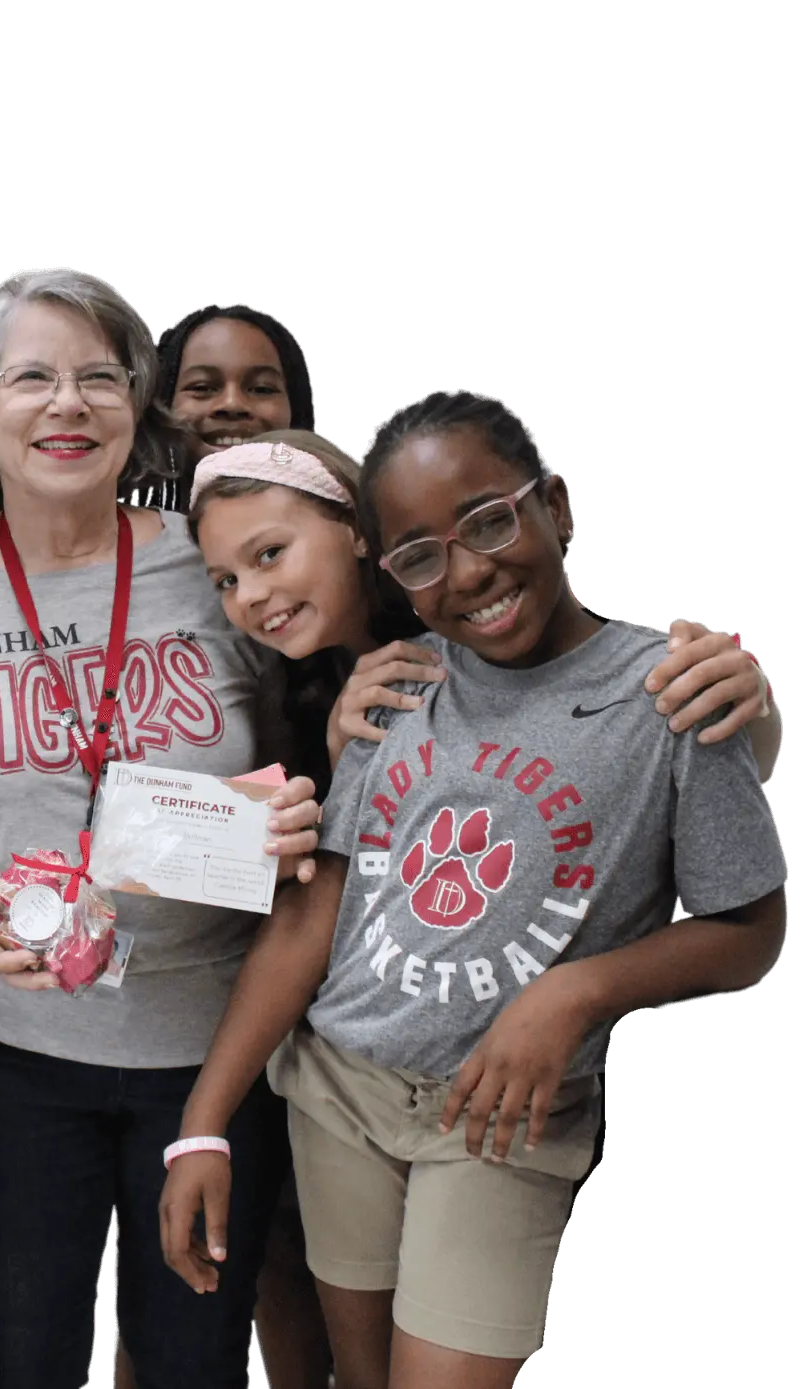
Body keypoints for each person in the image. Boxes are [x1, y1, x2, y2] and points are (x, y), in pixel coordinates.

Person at [160, 389, 788, 1388]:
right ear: (390, 571)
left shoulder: (668, 693)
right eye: (418, 555)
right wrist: (200, 1123)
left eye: (489, 520)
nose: (467, 571)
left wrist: (573, 991)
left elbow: (749, 929)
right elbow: (317, 910)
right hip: (339, 1094)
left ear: (557, 506)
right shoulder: (398, 684)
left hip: (502, 1120)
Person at [0, 267, 324, 1388]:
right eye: (29, 377)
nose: (65, 404)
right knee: (21, 1353)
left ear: (137, 406)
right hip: (10, 1051)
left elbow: (319, 719)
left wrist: (303, 802)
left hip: (208, 1049)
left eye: (97, 378)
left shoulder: (213, 561)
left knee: (192, 1354)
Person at [192, 432, 782, 786]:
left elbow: (705, 758)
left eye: (270, 554)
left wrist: (748, 702)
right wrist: (342, 765)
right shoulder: (288, 690)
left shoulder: (478, 621)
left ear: (357, 528)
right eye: (224, 579)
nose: (247, 596)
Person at [148, 302, 317, 512]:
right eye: (202, 387)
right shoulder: (123, 537)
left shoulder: (351, 528)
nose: (232, 404)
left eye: (261, 389)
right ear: (164, 404)